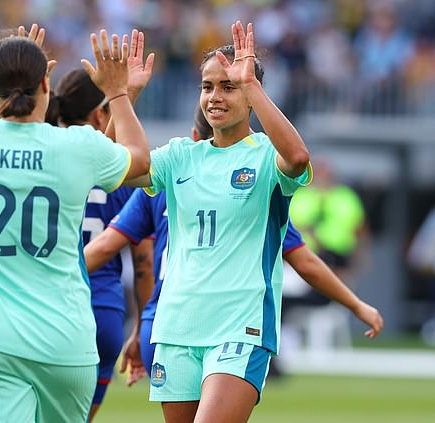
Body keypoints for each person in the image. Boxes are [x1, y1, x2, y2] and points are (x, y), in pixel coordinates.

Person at [0, 24, 150, 423]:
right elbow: (139, 158)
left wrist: (11, 77)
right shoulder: (77, 147)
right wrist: (120, 92)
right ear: (47, 83)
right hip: (66, 341)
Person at [85, 106, 383, 387]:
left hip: (163, 322)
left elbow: (111, 240)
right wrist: (356, 304)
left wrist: (138, 327)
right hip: (204, 321)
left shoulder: (162, 181)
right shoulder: (248, 191)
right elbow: (305, 262)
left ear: (193, 135)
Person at [117, 20, 312, 422]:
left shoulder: (263, 156)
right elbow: (107, 168)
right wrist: (123, 95)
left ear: (251, 94)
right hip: (177, 326)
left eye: (228, 86)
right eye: (208, 86)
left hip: (240, 326)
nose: (214, 97)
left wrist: (254, 87)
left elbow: (297, 159)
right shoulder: (179, 156)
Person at [45, 31, 155, 420]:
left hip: (43, 306)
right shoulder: (116, 174)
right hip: (101, 310)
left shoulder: (42, 159)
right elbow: (144, 262)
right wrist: (143, 327)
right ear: (99, 114)